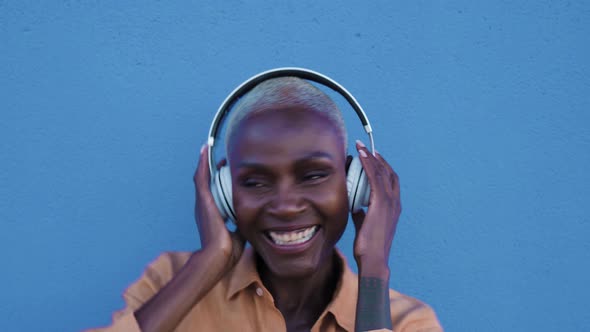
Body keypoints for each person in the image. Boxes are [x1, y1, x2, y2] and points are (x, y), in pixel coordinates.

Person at [88, 73, 442, 332]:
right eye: (255, 182)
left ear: (357, 185)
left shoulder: (405, 321)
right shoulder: (168, 283)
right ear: (223, 193)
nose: (286, 206)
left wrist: (374, 274)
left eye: (314, 175)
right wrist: (210, 261)